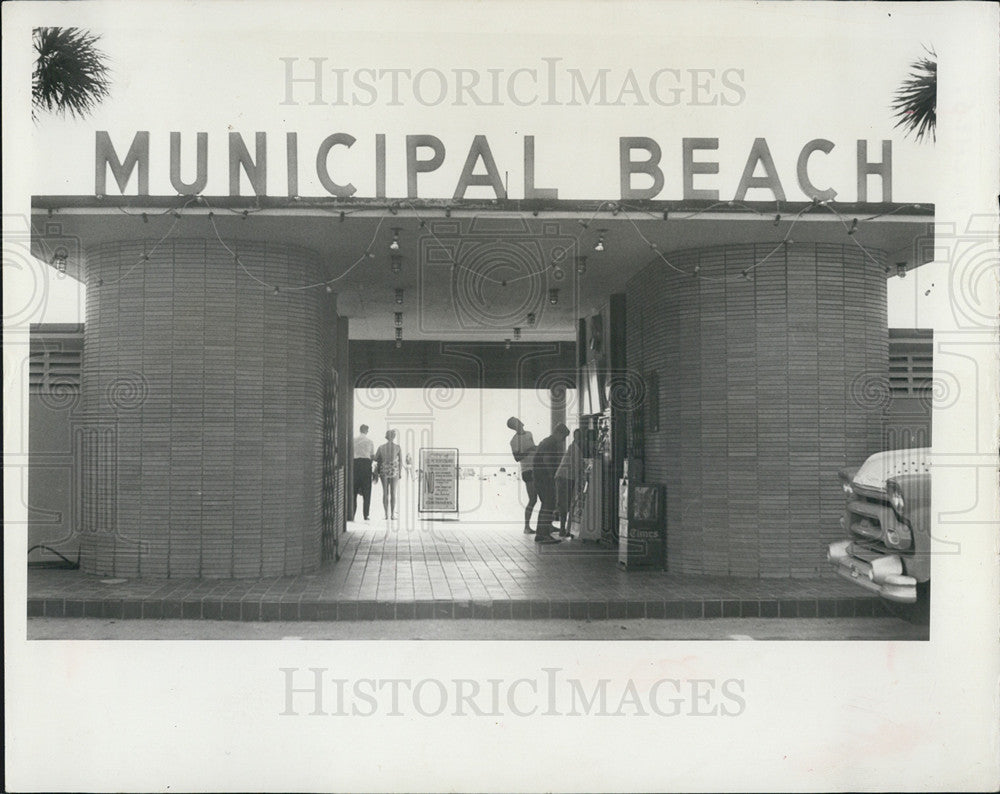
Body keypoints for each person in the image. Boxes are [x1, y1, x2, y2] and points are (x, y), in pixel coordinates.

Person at [532, 423, 570, 543]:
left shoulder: (545, 441)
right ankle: (543, 534)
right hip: (544, 477)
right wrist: (551, 475)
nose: (563, 441)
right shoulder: (551, 443)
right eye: (563, 437)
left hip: (538, 476)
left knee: (546, 504)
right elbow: (547, 459)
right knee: (548, 504)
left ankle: (543, 532)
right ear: (558, 433)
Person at [507, 417, 538, 534]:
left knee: (544, 498)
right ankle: (526, 526)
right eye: (516, 422)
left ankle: (545, 525)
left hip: (536, 468)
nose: (519, 422)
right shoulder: (514, 441)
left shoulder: (529, 434)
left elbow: (533, 449)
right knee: (533, 499)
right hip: (527, 471)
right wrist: (529, 450)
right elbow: (516, 458)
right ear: (514, 426)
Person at [555, 428, 583, 538]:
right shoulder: (575, 449)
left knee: (564, 503)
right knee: (565, 504)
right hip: (565, 478)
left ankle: (565, 528)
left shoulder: (573, 447)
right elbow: (577, 467)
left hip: (563, 477)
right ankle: (563, 529)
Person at [375, 429, 403, 520]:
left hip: (384, 469)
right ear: (394, 437)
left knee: (385, 492)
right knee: (393, 492)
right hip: (394, 469)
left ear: (386, 436)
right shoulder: (398, 447)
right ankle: (392, 515)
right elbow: (401, 461)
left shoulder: (381, 447)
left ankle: (386, 515)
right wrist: (400, 473)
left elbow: (375, 458)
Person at [352, 424, 375, 521]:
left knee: (353, 490)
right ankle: (366, 515)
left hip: (355, 464)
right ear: (366, 431)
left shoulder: (353, 440)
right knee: (367, 491)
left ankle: (352, 514)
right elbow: (372, 456)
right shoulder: (370, 441)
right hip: (366, 465)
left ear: (359, 430)